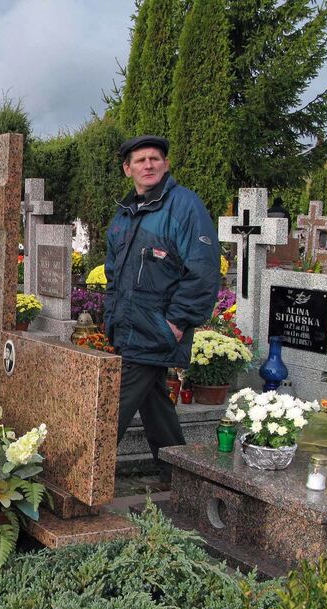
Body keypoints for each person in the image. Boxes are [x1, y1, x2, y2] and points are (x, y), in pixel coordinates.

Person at [104, 135, 220, 480]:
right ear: (127, 169)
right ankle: (180, 476)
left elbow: (202, 270)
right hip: (128, 328)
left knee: (110, 410)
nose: (148, 165)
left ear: (166, 165)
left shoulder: (185, 206)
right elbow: (113, 272)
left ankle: (80, 478)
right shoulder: (124, 214)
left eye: (155, 159)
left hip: (156, 329)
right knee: (155, 404)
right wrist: (110, 317)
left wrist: (177, 322)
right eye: (140, 161)